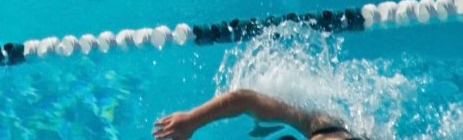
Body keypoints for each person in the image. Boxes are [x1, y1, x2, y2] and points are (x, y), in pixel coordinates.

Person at [153, 89, 369, 140]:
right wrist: (191, 119)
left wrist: (192, 120)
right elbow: (244, 98)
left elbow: (244, 99)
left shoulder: (319, 124)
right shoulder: (315, 122)